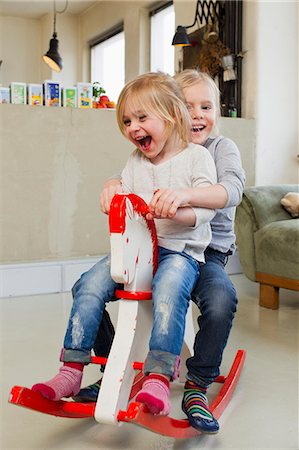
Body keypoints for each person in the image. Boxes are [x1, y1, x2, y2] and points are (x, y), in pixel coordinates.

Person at [32, 72, 217, 417]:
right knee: (86, 285)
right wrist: (111, 187)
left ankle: (159, 375)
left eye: (142, 118)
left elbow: (206, 211)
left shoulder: (196, 158)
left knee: (169, 289)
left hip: (179, 252)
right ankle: (72, 369)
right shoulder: (136, 160)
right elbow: (120, 183)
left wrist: (180, 209)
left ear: (173, 115)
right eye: (127, 121)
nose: (133, 128)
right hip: (138, 252)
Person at [76, 69, 245, 434]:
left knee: (220, 299)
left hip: (207, 251)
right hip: (162, 247)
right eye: (188, 106)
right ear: (172, 112)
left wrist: (184, 197)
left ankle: (198, 383)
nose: (197, 114)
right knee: (92, 286)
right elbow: (132, 178)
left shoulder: (217, 149)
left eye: (207, 106)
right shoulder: (155, 149)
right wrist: (111, 183)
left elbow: (230, 190)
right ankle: (111, 367)